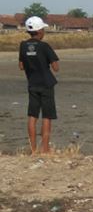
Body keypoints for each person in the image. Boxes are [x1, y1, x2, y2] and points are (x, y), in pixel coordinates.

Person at [18, 16, 59, 154]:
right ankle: (45, 149)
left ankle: (33, 148)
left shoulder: (23, 45)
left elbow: (21, 66)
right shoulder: (44, 46)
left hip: (32, 84)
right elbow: (56, 67)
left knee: (32, 116)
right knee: (47, 116)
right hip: (46, 84)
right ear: (40, 31)